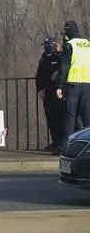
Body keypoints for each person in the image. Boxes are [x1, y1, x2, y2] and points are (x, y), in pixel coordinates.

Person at [56, 20, 90, 150]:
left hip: (73, 85)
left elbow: (64, 67)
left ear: (68, 31)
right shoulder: (87, 43)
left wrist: (59, 86)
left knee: (70, 116)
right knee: (87, 117)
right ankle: (87, 147)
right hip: (87, 85)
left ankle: (68, 146)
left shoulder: (69, 45)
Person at [35, 37, 64, 151]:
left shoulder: (58, 58)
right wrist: (39, 90)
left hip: (57, 92)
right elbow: (39, 77)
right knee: (50, 118)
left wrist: (59, 51)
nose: (46, 47)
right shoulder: (42, 61)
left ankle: (60, 143)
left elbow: (64, 67)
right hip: (46, 93)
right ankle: (55, 141)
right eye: (45, 45)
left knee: (59, 117)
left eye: (49, 45)